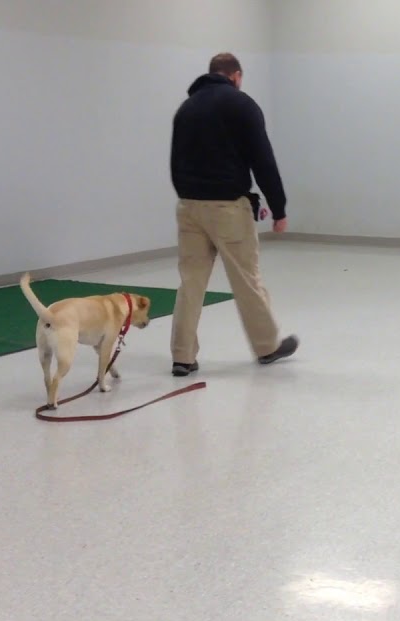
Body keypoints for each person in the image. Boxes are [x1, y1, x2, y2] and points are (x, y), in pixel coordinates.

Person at [167, 52, 298, 377]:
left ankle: (182, 356)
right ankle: (267, 346)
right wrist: (278, 208)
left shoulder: (186, 108)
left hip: (188, 206)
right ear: (235, 76)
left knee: (191, 283)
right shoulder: (241, 105)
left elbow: (175, 161)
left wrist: (187, 195)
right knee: (246, 279)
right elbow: (262, 159)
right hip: (227, 207)